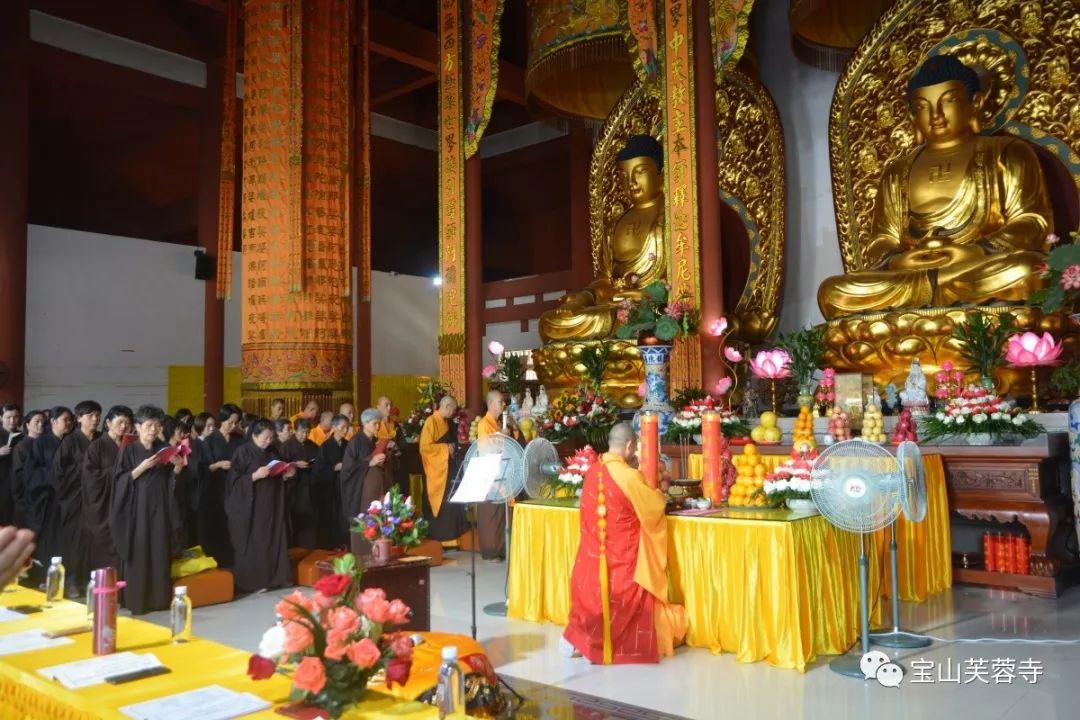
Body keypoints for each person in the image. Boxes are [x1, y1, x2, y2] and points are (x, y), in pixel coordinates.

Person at [562, 422, 687, 664]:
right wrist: (659, 493)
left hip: (588, 564)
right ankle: (608, 644)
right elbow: (655, 508)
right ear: (629, 446)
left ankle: (585, 641)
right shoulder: (629, 476)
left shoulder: (591, 472)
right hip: (622, 565)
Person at [110, 405, 188, 614]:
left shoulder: (164, 448)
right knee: (140, 551)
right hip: (137, 511)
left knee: (159, 550)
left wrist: (178, 468)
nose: (153, 430)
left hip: (161, 508)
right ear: (138, 426)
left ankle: (159, 599)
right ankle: (138, 601)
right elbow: (118, 482)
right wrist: (141, 467)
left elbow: (172, 482)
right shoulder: (129, 450)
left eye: (157, 425)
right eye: (149, 425)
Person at [226, 419, 295, 593]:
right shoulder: (242, 452)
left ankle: (276, 578)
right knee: (257, 542)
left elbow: (278, 473)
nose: (268, 441)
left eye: (271, 437)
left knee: (274, 539)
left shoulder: (273, 450)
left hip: (273, 504)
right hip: (253, 507)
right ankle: (255, 582)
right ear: (255, 435)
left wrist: (286, 474)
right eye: (265, 437)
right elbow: (233, 484)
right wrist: (254, 476)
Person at [52, 400, 101, 593]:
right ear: (79, 418)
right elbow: (59, 473)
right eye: (90, 415)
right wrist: (85, 468)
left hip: (98, 499)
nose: (95, 419)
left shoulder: (101, 439)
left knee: (96, 540)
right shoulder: (70, 441)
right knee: (75, 541)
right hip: (75, 500)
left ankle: (94, 578)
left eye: (97, 415)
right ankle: (73, 580)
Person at [81, 405, 132, 573]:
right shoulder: (96, 447)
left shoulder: (130, 447)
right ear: (108, 423)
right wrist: (118, 473)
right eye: (120, 422)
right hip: (105, 506)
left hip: (127, 504)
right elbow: (91, 479)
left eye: (127, 422)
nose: (124, 426)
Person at [23, 406, 72, 575]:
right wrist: (55, 475)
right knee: (48, 538)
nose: (68, 423)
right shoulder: (41, 442)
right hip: (47, 498)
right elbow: (31, 472)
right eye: (65, 420)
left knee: (65, 538)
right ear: (53, 421)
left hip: (67, 497)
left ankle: (63, 575)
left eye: (70, 420)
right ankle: (43, 576)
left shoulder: (70, 441)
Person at [475, 390, 518, 562]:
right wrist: (502, 437)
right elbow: (486, 448)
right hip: (489, 474)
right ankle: (491, 551)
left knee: (502, 513)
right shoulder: (483, 424)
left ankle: (502, 549)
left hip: (502, 471)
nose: (503, 405)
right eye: (500, 402)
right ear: (491, 404)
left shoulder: (497, 423)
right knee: (491, 515)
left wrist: (509, 431)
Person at [419, 396, 468, 543]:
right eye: (453, 409)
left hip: (448, 467)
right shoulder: (431, 422)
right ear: (447, 407)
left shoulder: (445, 422)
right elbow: (424, 448)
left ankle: (453, 537)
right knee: (442, 502)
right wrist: (446, 448)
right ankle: (439, 537)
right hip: (437, 470)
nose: (454, 412)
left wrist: (451, 448)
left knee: (452, 500)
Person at [200, 404, 244, 567]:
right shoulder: (210, 440)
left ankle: (235, 564)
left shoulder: (239, 440)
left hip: (235, 488)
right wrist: (218, 465)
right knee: (218, 528)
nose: (233, 426)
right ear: (222, 420)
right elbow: (203, 468)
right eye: (230, 422)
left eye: (236, 423)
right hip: (215, 490)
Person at [340, 408, 388, 539]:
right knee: (366, 520)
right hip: (362, 490)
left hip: (376, 487)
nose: (378, 426)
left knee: (377, 518)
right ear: (365, 424)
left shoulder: (374, 441)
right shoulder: (355, 442)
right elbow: (347, 468)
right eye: (374, 423)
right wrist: (369, 462)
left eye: (379, 423)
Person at [276, 418, 316, 548]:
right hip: (294, 488)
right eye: (302, 432)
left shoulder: (313, 446)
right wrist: (295, 465)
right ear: (295, 431)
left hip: (309, 486)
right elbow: (281, 467)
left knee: (310, 519)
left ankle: (309, 547)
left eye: (307, 432)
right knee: (295, 518)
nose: (304, 435)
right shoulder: (286, 446)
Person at [311, 414, 350, 548]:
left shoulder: (347, 445)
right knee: (330, 519)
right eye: (342, 427)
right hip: (329, 490)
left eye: (347, 427)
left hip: (343, 488)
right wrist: (333, 468)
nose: (345, 430)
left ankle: (344, 544)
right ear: (334, 427)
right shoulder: (325, 447)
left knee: (343, 518)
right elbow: (317, 471)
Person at [11, 411, 44, 542]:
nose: (41, 425)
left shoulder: (45, 444)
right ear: (28, 424)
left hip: (42, 499)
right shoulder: (22, 446)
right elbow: (18, 475)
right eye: (37, 422)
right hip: (26, 499)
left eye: (43, 422)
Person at [375, 396, 407, 495]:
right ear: (378, 407)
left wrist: (396, 446)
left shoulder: (395, 425)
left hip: (395, 466)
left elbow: (403, 444)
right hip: (379, 466)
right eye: (386, 405)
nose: (389, 408)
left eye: (390, 405)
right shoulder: (375, 425)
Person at [0, 404, 23, 526]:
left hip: (16, 482)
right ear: (1, 417)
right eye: (8, 417)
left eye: (16, 417)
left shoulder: (22, 436)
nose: (12, 420)